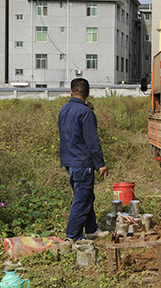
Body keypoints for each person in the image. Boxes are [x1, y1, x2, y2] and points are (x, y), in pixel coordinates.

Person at [58, 78, 108, 241]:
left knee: (86, 197)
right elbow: (92, 141)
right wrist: (100, 164)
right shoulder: (85, 113)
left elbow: (72, 130)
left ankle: (91, 229)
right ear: (88, 94)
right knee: (81, 200)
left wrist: (88, 111)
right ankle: (73, 237)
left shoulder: (64, 109)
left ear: (71, 92)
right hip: (82, 162)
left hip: (69, 161)